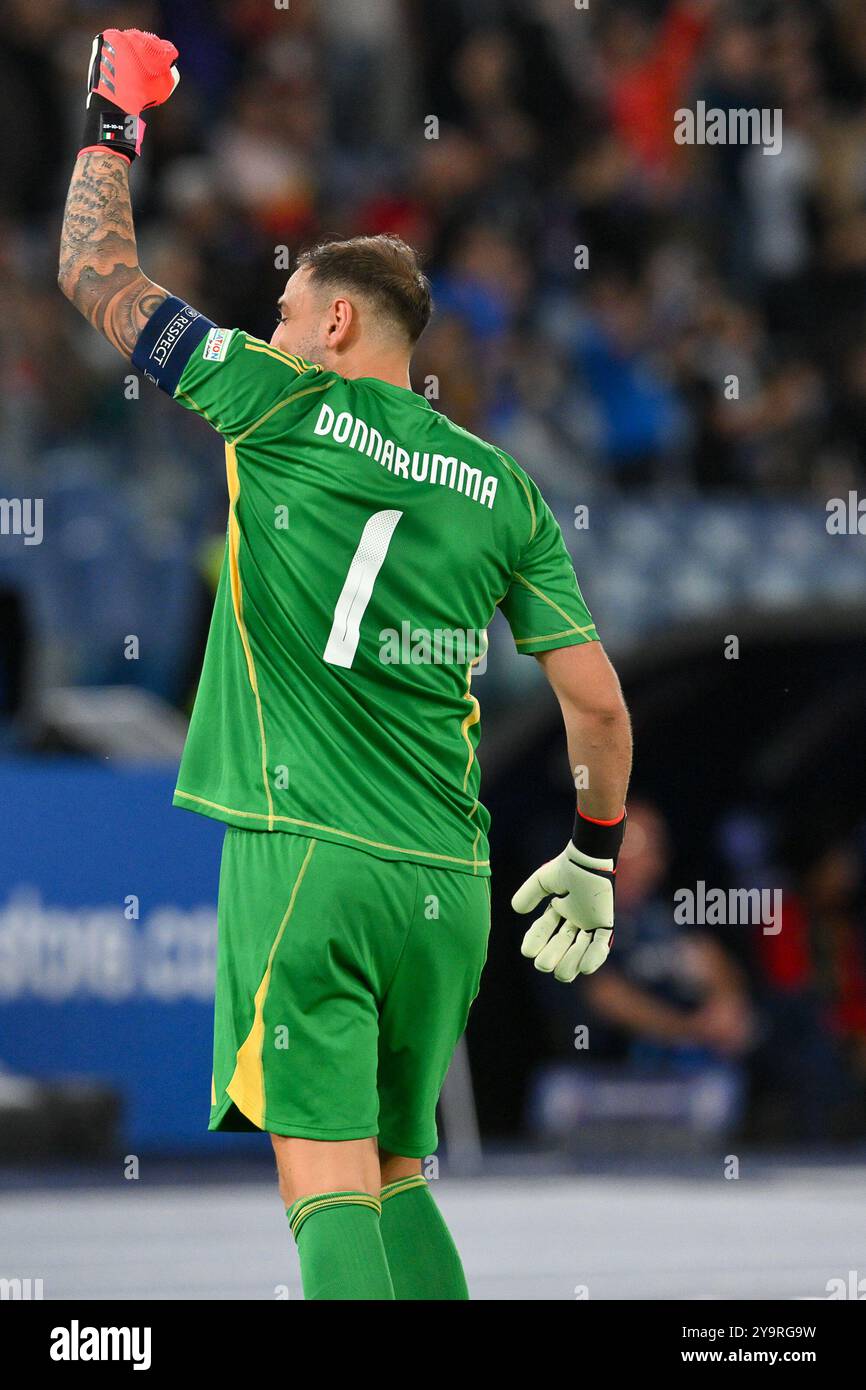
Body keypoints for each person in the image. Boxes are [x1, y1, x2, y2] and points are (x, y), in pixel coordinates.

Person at [58, 30, 632, 1301]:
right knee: (394, 1172)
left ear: (330, 321)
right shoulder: (503, 487)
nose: (267, 326)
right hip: (450, 880)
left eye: (279, 311)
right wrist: (592, 852)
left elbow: (91, 271)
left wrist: (112, 119)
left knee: (321, 1184)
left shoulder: (276, 401)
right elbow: (593, 698)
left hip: (305, 847)